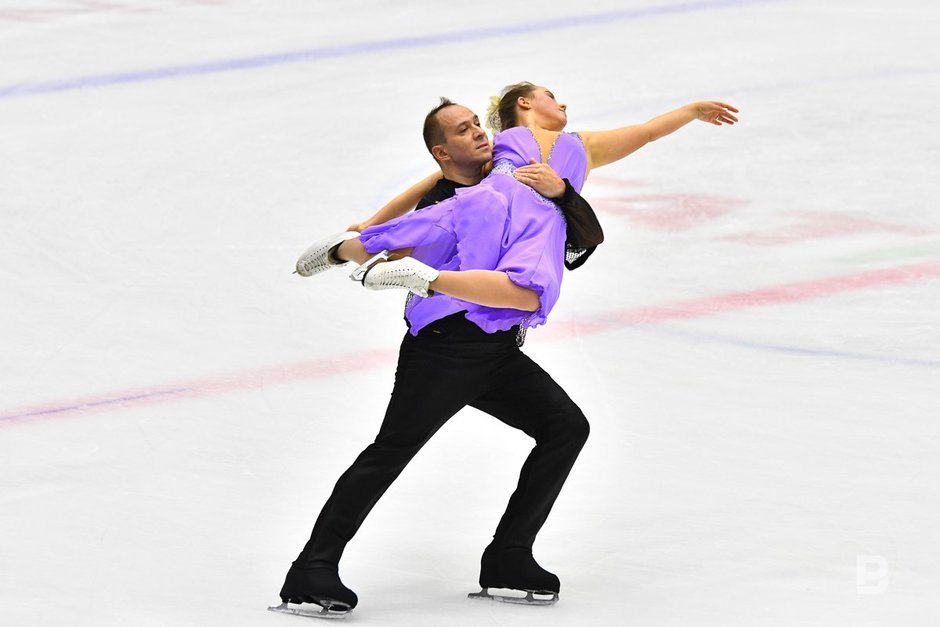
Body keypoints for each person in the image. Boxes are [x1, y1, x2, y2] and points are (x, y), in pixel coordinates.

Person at [277, 83, 738, 616]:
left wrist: (687, 112)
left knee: (565, 427)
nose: (479, 133)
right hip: (445, 348)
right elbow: (427, 195)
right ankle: (311, 569)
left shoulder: (535, 159)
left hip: (496, 350)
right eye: (464, 129)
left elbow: (637, 140)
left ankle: (508, 557)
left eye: (477, 124)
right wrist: (370, 229)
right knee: (392, 451)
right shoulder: (471, 181)